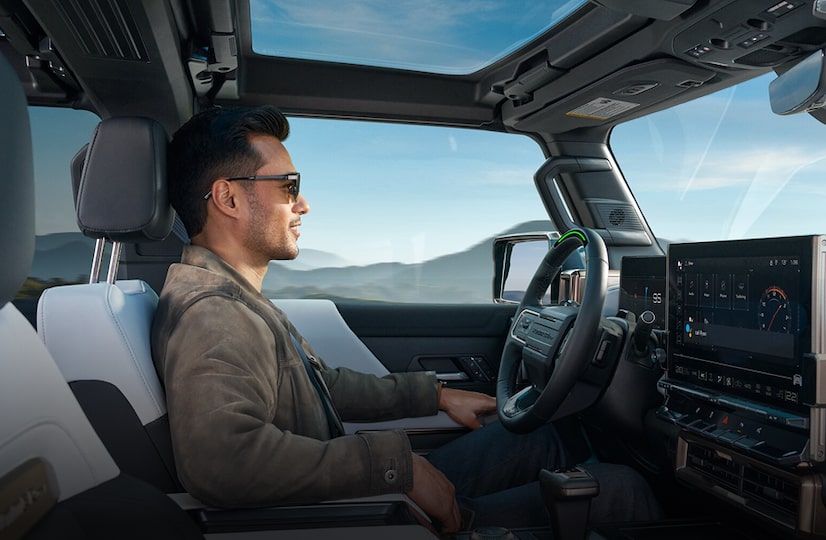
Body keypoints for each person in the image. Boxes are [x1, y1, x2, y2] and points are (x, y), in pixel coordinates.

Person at [152, 105, 660, 534]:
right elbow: (224, 462)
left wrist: (434, 395)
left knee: (537, 437)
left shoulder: (232, 297)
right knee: (622, 489)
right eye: (288, 186)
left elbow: (319, 387)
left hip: (355, 494)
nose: (302, 204)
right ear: (229, 198)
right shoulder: (214, 314)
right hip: (358, 517)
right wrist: (396, 469)